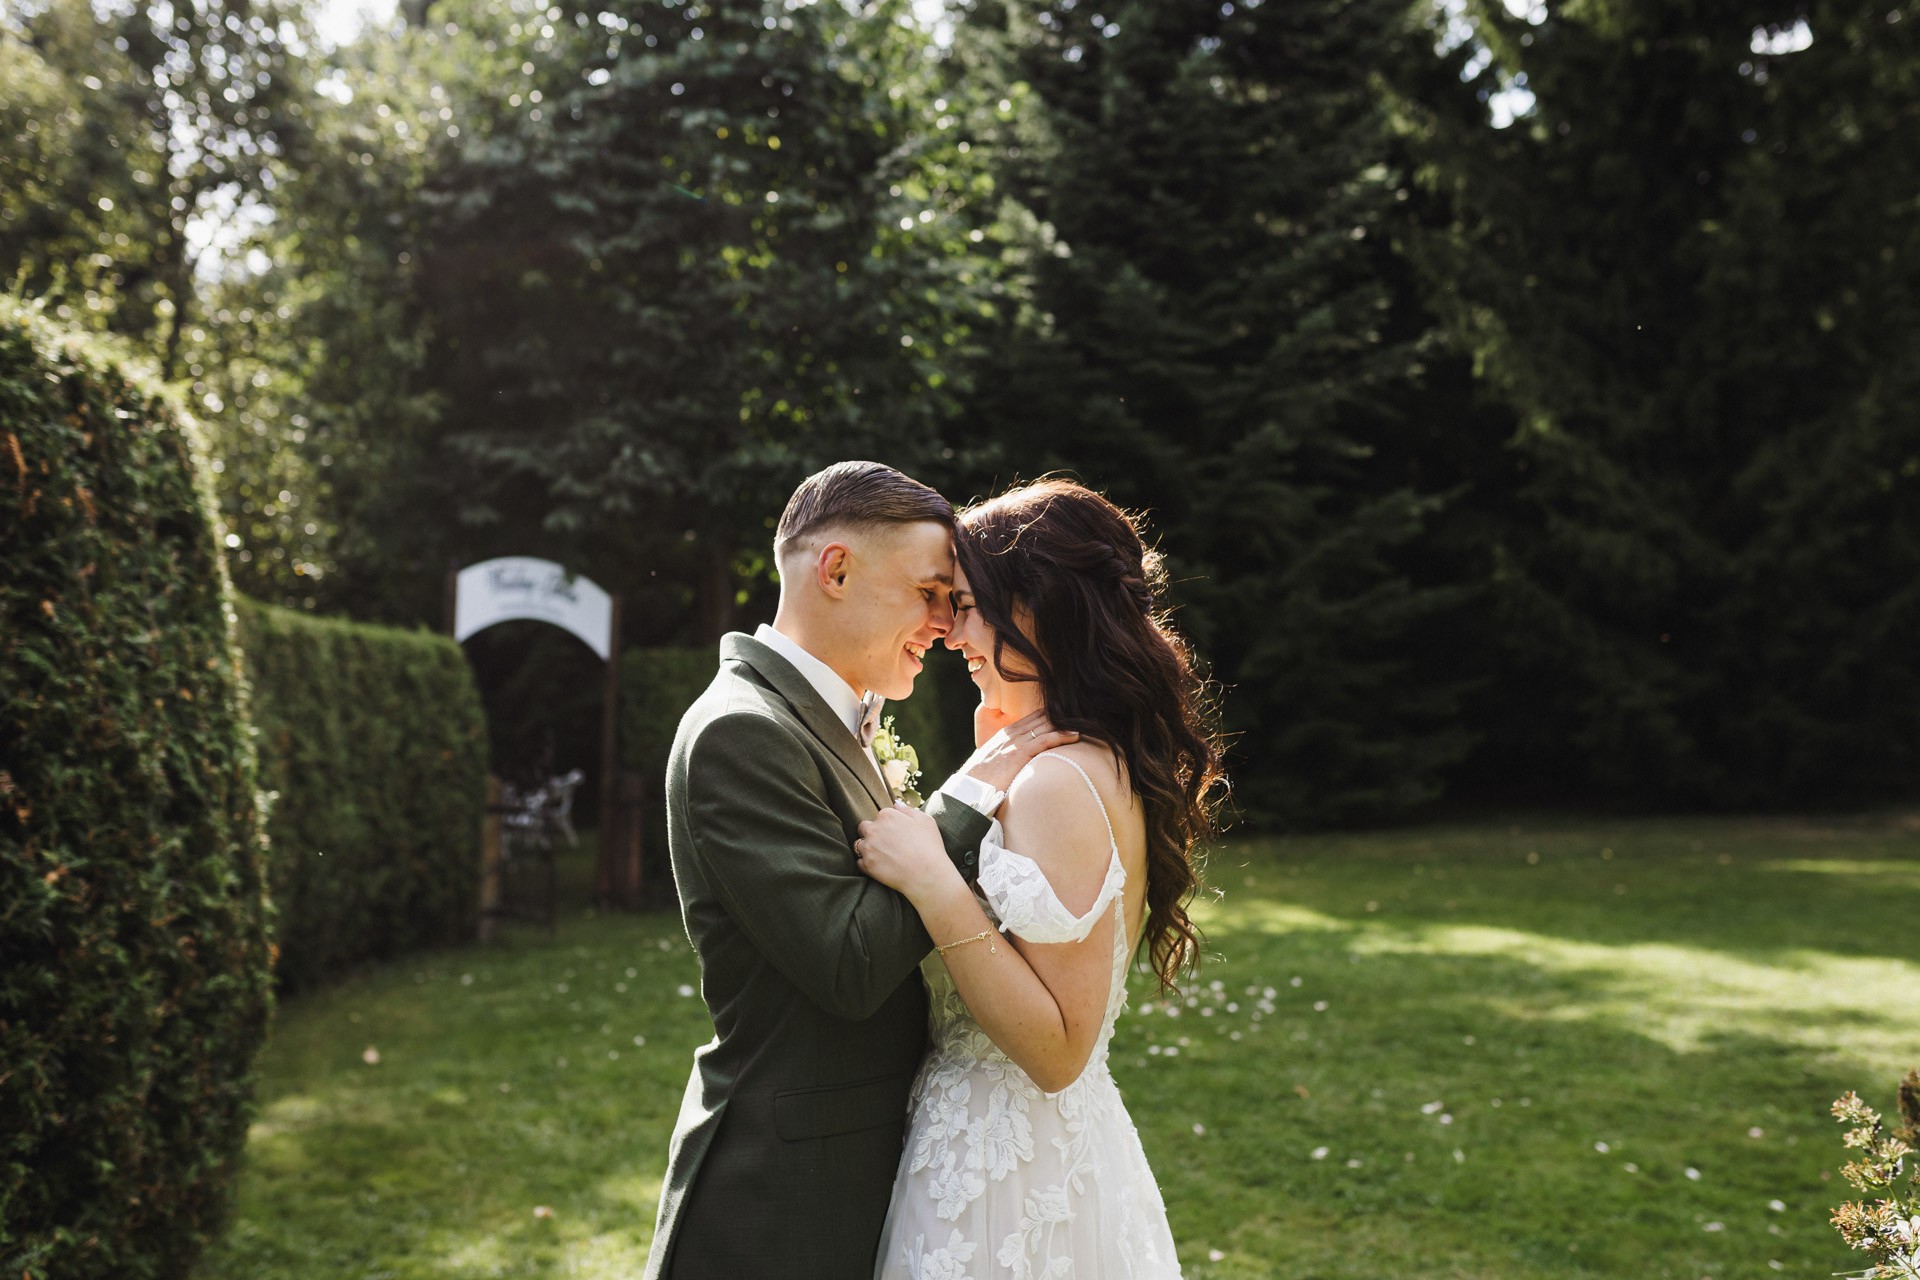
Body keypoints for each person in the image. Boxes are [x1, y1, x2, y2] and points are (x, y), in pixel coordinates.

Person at [643, 461, 1078, 1280]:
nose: (947, 624)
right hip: (783, 1206)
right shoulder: (741, 731)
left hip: (866, 1177)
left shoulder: (831, 719)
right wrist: (973, 793)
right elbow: (850, 965)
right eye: (929, 592)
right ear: (835, 570)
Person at [856, 478, 1226, 1279]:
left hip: (1008, 1180)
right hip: (1004, 1148)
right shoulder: (1077, 757)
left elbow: (1060, 1052)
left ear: (1033, 609)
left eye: (966, 606)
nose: (951, 634)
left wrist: (934, 882)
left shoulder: (1058, 782)